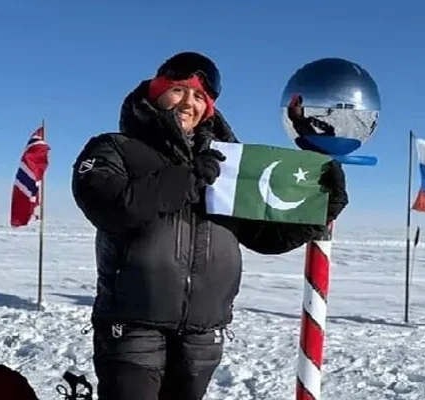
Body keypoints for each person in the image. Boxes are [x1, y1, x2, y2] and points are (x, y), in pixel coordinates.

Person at [71, 51, 349, 400]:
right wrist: (186, 179)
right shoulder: (114, 148)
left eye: (200, 96)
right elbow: (109, 206)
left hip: (201, 337)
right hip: (132, 329)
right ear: (155, 92)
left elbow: (263, 236)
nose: (189, 103)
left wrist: (321, 208)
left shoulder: (226, 162)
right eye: (178, 90)